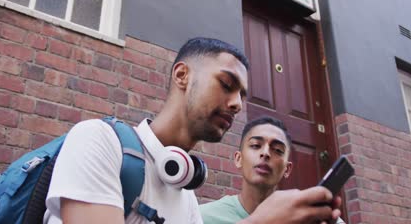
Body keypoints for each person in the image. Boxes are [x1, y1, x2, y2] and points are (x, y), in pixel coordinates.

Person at [43, 37, 341, 224]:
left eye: (242, 95)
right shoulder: (97, 139)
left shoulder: (187, 204)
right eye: (227, 85)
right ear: (182, 76)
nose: (237, 104)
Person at [200, 116, 345, 224]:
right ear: (239, 159)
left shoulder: (311, 217)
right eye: (256, 145)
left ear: (287, 169)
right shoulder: (202, 217)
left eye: (277, 150)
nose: (266, 153)